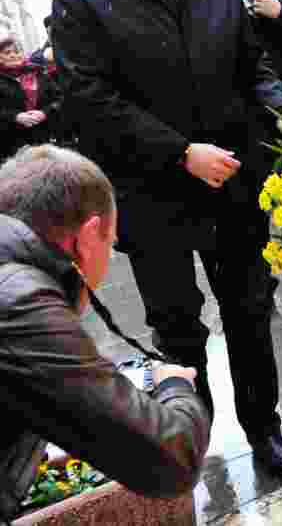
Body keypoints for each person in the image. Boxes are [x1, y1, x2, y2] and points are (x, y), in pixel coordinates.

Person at [50, 0, 282, 473]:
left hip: (233, 181)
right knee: (178, 328)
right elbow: (92, 101)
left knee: (248, 310)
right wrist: (180, 151)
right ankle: (194, 446)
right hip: (152, 193)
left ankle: (265, 430)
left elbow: (251, 65)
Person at [0, 145, 210, 522]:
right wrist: (174, 385)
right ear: (89, 233)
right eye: (111, 244)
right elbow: (172, 459)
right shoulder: (19, 301)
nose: (109, 258)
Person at [1, 35, 62, 159]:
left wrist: (44, 113)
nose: (13, 55)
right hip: (10, 145)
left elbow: (60, 99)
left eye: (17, 51)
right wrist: (15, 117)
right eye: (7, 53)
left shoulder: (38, 72)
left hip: (44, 140)